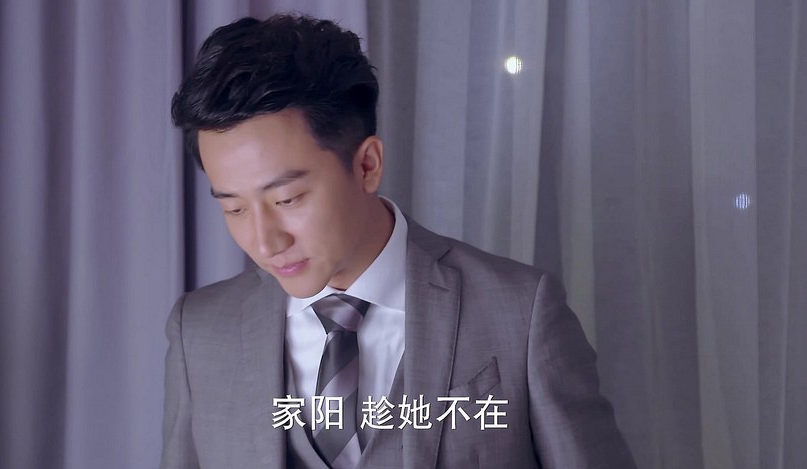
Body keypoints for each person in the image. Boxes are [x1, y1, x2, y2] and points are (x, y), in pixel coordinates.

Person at [163, 13, 636, 469]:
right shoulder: (200, 331)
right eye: (234, 208)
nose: (265, 243)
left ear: (367, 165)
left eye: (287, 199)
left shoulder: (520, 313)